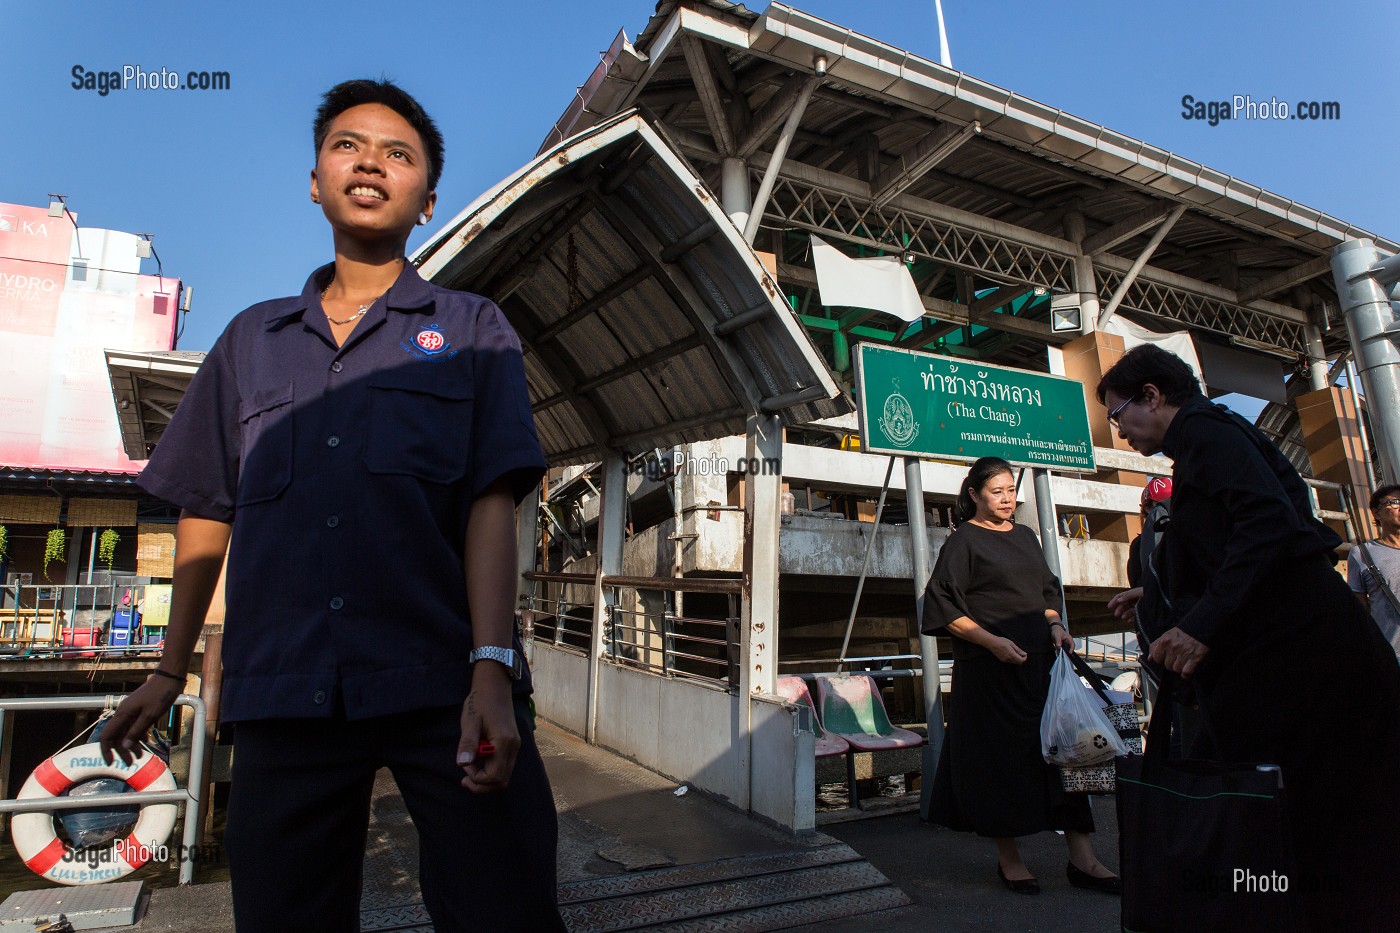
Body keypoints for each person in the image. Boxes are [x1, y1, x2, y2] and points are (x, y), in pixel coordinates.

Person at [97, 79, 565, 932]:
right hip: (284, 687)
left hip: (442, 679)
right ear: (316, 180)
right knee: (285, 917)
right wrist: (169, 669)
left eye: (399, 154)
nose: (371, 165)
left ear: (427, 201)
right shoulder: (251, 341)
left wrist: (491, 668)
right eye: (350, 146)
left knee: (506, 903)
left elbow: (490, 501)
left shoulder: (471, 327)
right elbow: (208, 509)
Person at [1100, 344, 1400, 931]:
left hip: (1310, 661)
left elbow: (1269, 527)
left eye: (1119, 416)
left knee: (1330, 817)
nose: (1121, 432)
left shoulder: (1208, 436)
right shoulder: (1210, 439)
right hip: (1304, 656)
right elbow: (1235, 538)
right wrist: (1160, 596)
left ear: (1154, 397)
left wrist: (1199, 625)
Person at [925, 457, 1119, 896]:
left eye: (1011, 490)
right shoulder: (963, 542)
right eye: (997, 492)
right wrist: (992, 642)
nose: (1008, 499)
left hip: (1040, 670)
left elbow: (1046, 594)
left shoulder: (1028, 536)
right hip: (990, 675)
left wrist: (1055, 625)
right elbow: (941, 606)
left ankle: (1083, 860)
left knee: (1066, 756)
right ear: (974, 494)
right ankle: (1010, 860)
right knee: (1001, 765)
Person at [1347, 484, 1400, 661]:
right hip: (1392, 653)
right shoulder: (1362, 554)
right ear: (1376, 513)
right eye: (1394, 502)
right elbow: (1359, 609)